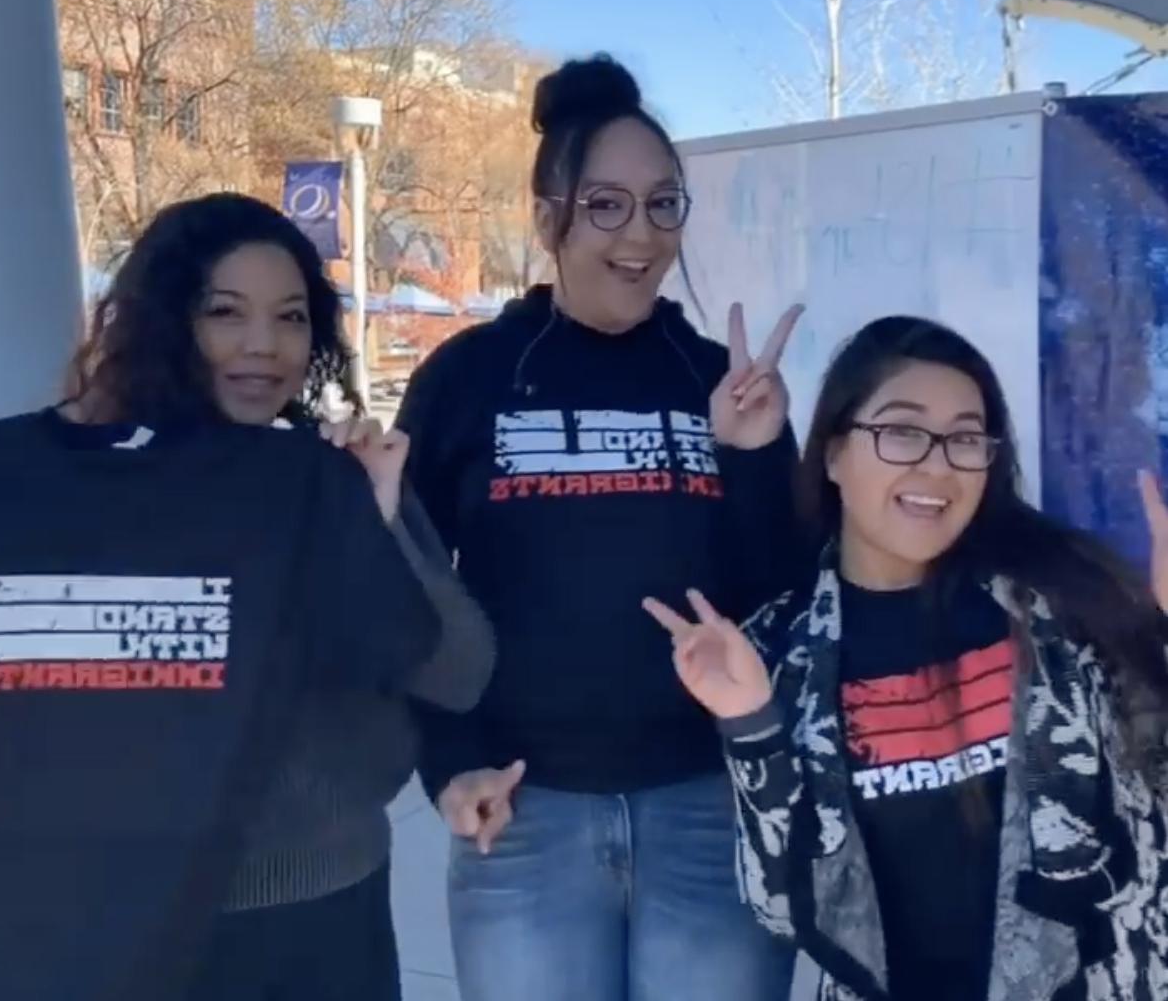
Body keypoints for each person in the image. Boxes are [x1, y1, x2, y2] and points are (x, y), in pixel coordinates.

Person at [0, 193, 493, 1001]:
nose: (264, 346)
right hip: (104, 917)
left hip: (316, 912)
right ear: (163, 318)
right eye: (225, 312)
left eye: (290, 318)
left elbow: (459, 670)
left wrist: (379, 522)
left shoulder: (320, 477)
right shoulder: (22, 482)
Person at [396, 54, 802, 1001]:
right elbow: (409, 591)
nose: (642, 235)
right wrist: (448, 764)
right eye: (607, 205)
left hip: (711, 803)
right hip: (523, 810)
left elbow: (782, 598)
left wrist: (751, 453)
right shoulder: (468, 379)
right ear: (548, 219)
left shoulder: (719, 379)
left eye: (665, 205)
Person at [647, 315, 1168, 1001]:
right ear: (833, 453)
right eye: (902, 431)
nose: (937, 463)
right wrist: (751, 726)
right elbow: (782, 905)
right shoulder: (784, 653)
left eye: (965, 438)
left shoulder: (1061, 609)